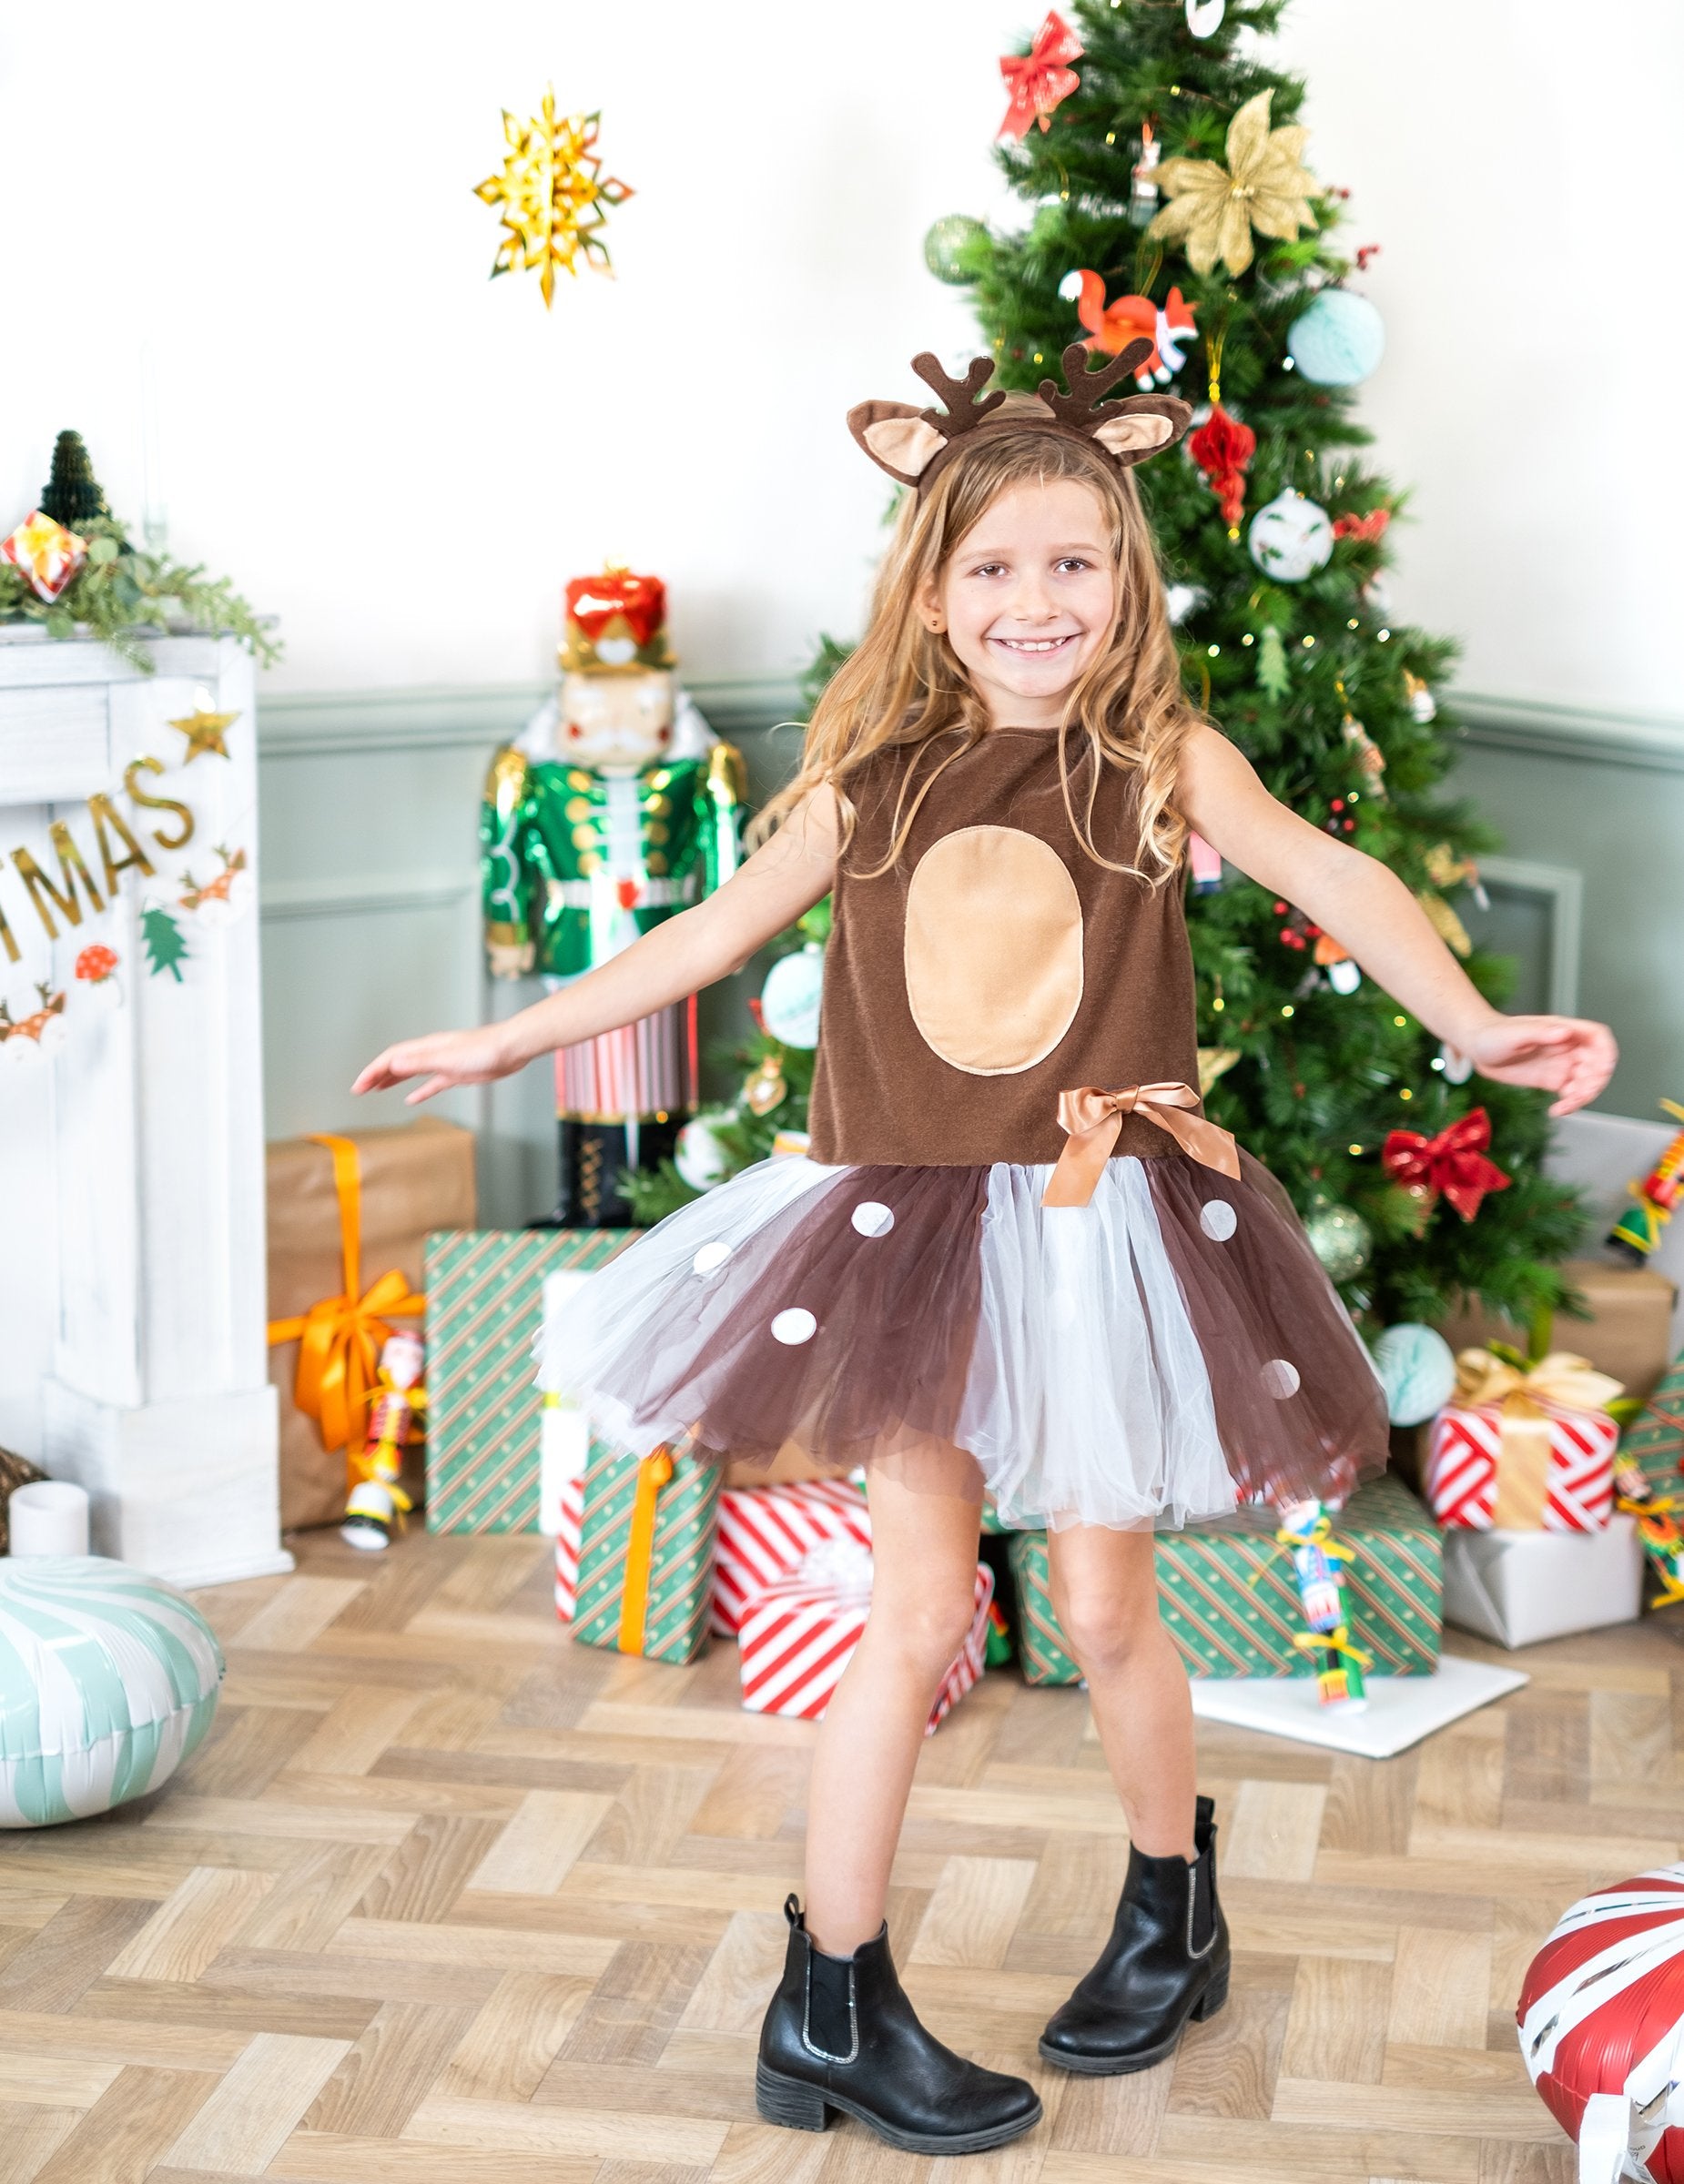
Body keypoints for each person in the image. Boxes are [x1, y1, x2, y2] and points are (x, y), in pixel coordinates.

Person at [354, 339, 1618, 2158]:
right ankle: (830, 2000)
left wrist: (1475, 1026)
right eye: (996, 568)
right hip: (914, 1236)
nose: (1039, 600)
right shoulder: (865, 781)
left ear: (1126, 579)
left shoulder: (1160, 760)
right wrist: (504, 1041)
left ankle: (1171, 1911)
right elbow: (703, 938)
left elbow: (1338, 878)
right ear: (933, 596)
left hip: (1101, 1231)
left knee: (1104, 1610)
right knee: (914, 1617)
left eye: (1074, 562)